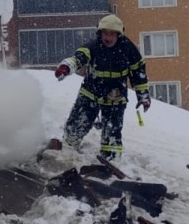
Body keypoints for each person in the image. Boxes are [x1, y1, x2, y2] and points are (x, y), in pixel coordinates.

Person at [53, 14, 150, 165]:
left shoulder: (129, 49)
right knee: (77, 125)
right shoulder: (93, 46)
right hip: (90, 93)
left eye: (112, 34)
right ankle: (66, 153)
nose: (108, 38)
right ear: (100, 34)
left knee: (112, 133)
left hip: (115, 96)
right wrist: (67, 66)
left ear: (119, 34)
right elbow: (79, 57)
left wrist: (143, 95)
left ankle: (111, 162)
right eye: (105, 33)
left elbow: (139, 73)